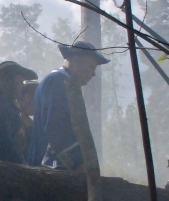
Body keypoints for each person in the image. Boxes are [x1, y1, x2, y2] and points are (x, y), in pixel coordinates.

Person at [27, 40, 109, 169]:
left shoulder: (60, 80)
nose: (93, 73)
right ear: (76, 60)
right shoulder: (58, 81)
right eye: (91, 66)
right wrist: (79, 163)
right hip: (50, 167)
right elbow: (56, 127)